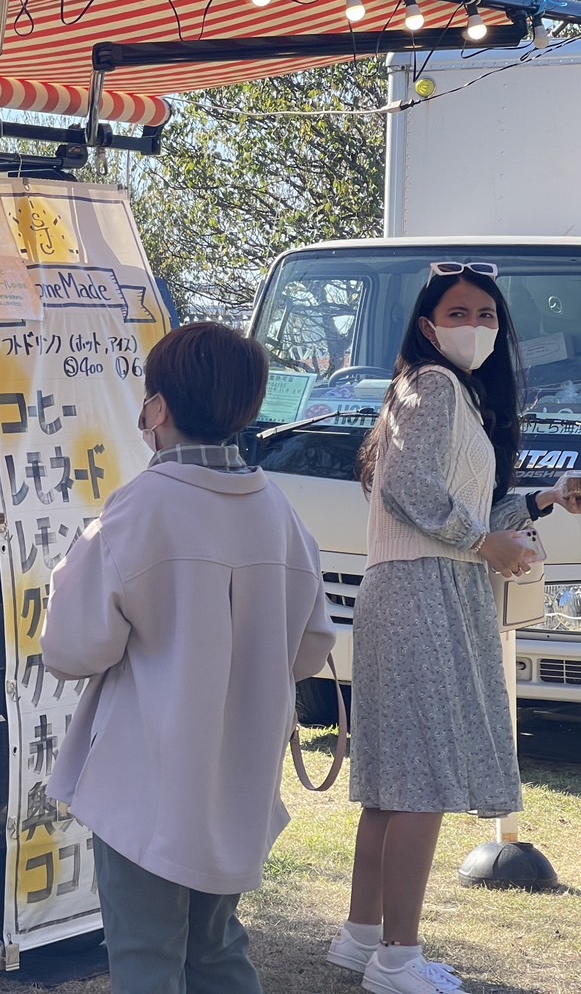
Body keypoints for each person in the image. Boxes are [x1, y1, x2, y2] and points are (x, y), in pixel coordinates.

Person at [42, 321, 336, 994]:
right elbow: (312, 644)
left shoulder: (141, 505)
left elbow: (74, 646)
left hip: (144, 773)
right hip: (239, 771)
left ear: (159, 408)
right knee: (215, 950)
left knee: (146, 956)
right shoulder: (278, 509)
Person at [329, 262, 581, 994]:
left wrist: (543, 500)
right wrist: (482, 545)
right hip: (421, 593)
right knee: (420, 781)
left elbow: (458, 510)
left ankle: (362, 937)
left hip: (421, 587)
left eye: (485, 315)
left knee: (396, 782)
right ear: (426, 322)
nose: (474, 326)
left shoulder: (444, 395)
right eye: (459, 312)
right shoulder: (433, 387)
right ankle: (396, 961)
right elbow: (413, 494)